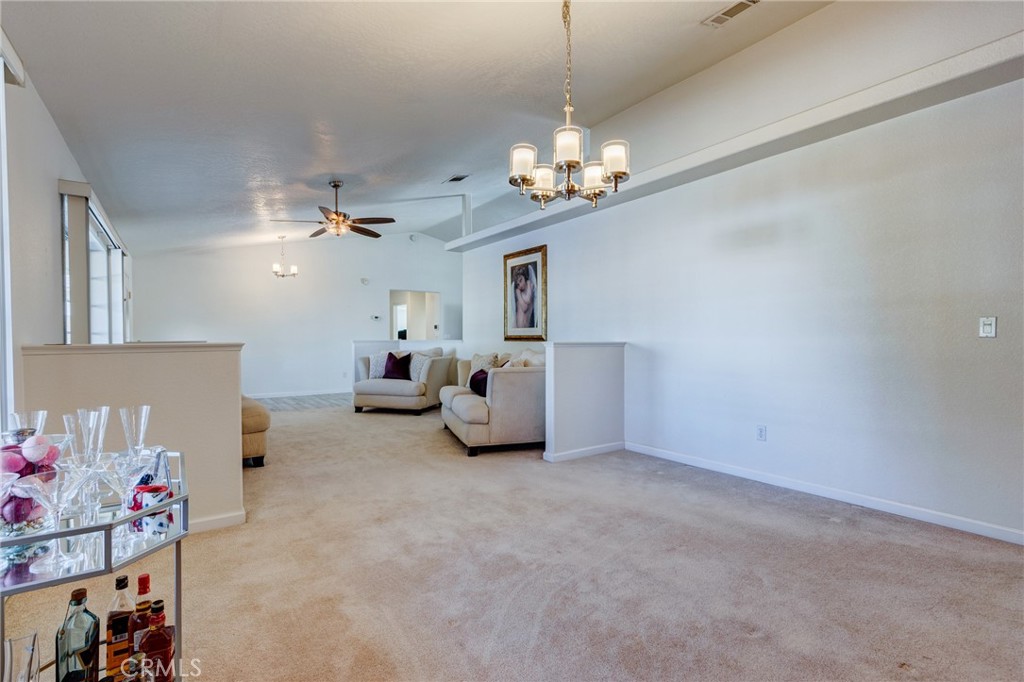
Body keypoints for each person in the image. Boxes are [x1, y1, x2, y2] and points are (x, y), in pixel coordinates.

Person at [513, 264, 535, 328]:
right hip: (518, 327)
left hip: (526, 327)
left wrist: (519, 294)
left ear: (524, 277)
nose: (520, 285)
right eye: (518, 284)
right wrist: (519, 294)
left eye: (521, 280)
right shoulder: (519, 291)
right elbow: (524, 307)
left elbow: (526, 305)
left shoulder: (530, 286)